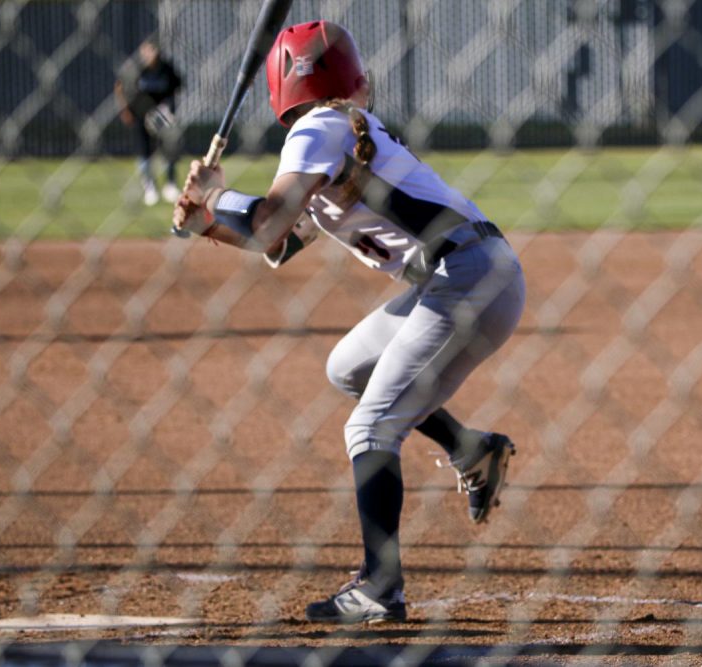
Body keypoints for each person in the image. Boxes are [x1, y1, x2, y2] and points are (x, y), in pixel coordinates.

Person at [172, 21, 525, 624]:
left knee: (370, 430)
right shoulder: (343, 135)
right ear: (355, 78)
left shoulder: (318, 128)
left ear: (281, 91)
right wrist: (206, 222)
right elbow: (277, 244)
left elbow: (264, 220)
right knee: (349, 368)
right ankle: (470, 448)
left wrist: (216, 197)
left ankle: (381, 586)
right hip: (463, 276)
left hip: (464, 278)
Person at [115, 36, 182, 206]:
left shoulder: (166, 68)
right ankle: (149, 187)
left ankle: (170, 185)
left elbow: (176, 87)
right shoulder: (136, 69)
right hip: (140, 115)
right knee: (144, 152)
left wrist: (170, 109)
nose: (151, 54)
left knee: (168, 149)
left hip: (161, 116)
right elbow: (120, 86)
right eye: (147, 50)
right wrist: (125, 109)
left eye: (154, 50)